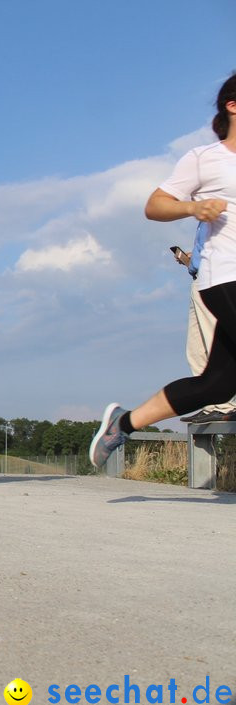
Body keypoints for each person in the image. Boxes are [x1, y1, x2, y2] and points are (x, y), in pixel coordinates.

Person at [91, 74, 236, 469]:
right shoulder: (205, 159)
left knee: (219, 384)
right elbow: (155, 205)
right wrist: (193, 208)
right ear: (232, 106)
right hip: (223, 276)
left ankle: (123, 424)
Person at [172, 234, 236, 423]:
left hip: (216, 280)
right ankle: (210, 405)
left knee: (212, 343)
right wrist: (193, 259)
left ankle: (224, 406)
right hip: (200, 277)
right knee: (196, 349)